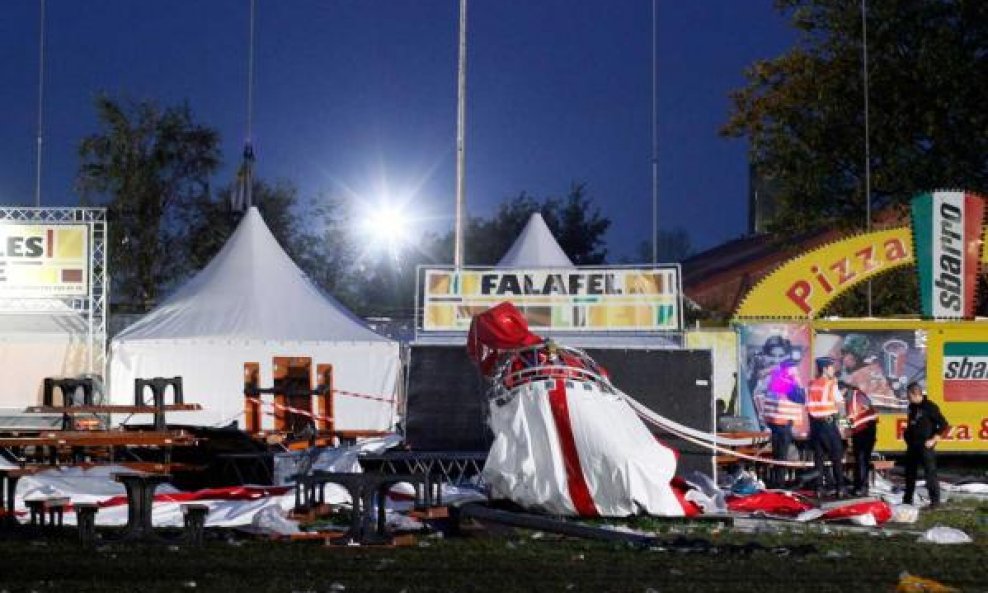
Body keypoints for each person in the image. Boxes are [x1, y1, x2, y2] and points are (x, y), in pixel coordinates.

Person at [902, 382, 949, 508]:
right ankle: (907, 500)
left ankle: (935, 501)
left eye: (909, 395)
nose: (907, 398)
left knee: (930, 473)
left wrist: (934, 439)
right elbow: (912, 423)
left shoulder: (930, 407)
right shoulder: (912, 407)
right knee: (909, 473)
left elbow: (944, 424)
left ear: (915, 394)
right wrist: (906, 434)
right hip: (912, 444)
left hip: (925, 445)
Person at [759, 360, 804, 488]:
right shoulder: (784, 381)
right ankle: (780, 484)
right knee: (781, 455)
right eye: (794, 368)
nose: (796, 371)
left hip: (776, 423)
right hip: (782, 423)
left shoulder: (776, 379)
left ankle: (777, 482)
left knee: (778, 455)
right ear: (787, 369)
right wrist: (795, 379)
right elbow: (800, 396)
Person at [807, 357, 845, 498]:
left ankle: (819, 488)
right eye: (831, 367)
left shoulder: (811, 385)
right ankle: (840, 487)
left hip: (815, 427)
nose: (833, 370)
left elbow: (808, 407)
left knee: (819, 459)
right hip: (828, 425)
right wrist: (843, 426)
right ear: (824, 369)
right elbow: (840, 405)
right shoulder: (830, 385)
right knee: (836, 456)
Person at [845, 386, 878, 495]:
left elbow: (849, 417)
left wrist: (847, 431)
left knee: (861, 459)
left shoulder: (851, 397)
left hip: (863, 430)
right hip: (869, 429)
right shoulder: (859, 394)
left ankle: (861, 487)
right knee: (863, 459)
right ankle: (862, 486)